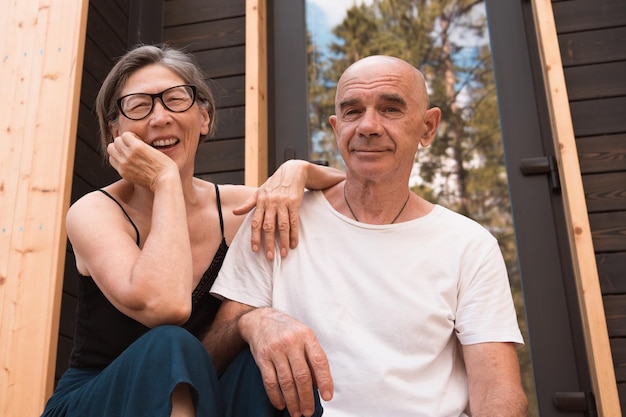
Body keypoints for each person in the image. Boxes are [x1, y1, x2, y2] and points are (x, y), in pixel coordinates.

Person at [207, 55, 529, 417]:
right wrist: (253, 321)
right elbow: (213, 357)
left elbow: (498, 390)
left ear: (428, 127)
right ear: (336, 127)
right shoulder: (277, 218)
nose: (368, 126)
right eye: (352, 111)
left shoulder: (469, 244)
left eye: (391, 109)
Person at [41, 44, 344, 417]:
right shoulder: (95, 212)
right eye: (138, 105)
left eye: (175, 99)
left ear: (204, 117)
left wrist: (299, 170)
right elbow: (166, 306)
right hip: (98, 400)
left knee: (268, 361)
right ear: (113, 132)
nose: (160, 117)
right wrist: (166, 181)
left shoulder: (236, 208)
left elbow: (350, 196)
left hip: (200, 397)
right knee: (170, 344)